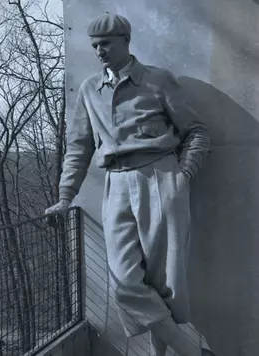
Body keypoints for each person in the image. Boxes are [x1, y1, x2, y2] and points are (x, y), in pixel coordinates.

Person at [45, 12, 214, 356]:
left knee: (162, 282)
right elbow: (79, 148)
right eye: (94, 45)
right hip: (115, 186)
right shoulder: (90, 90)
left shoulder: (158, 80)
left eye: (106, 43)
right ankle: (193, 352)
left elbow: (196, 132)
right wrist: (65, 197)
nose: (99, 51)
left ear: (125, 40)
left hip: (161, 179)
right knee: (124, 282)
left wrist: (183, 174)